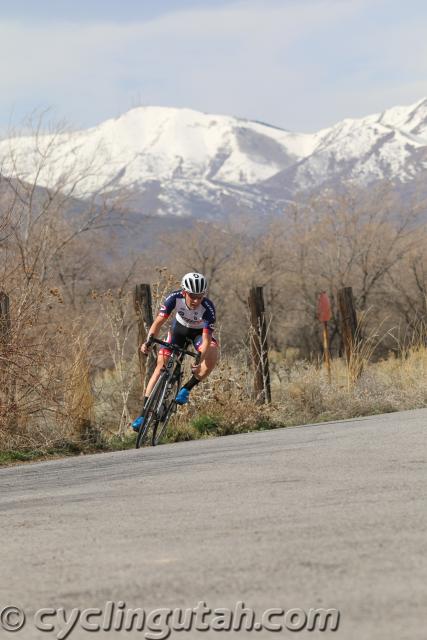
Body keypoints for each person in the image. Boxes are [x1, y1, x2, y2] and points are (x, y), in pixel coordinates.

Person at [131, 272, 219, 432]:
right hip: (178, 331)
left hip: (199, 335)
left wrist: (199, 362)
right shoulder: (174, 298)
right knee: (160, 367)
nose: (196, 300)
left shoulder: (208, 308)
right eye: (192, 296)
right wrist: (149, 341)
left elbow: (206, 340)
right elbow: (158, 322)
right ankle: (143, 414)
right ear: (184, 292)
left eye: (200, 296)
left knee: (212, 352)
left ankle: (186, 388)